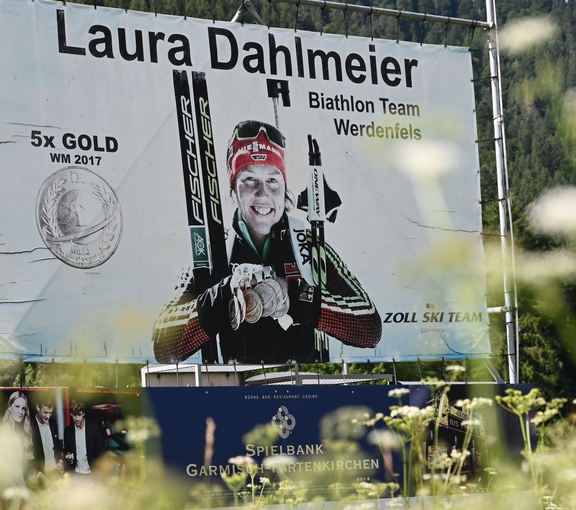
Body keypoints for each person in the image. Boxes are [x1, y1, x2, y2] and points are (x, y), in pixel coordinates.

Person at [153, 120, 381, 364]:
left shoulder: (307, 243)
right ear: (234, 189)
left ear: (284, 187)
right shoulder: (214, 250)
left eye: (273, 180)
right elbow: (163, 346)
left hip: (304, 387)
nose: (263, 194)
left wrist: (294, 296)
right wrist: (224, 296)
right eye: (250, 179)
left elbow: (369, 328)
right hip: (238, 392)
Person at [63, 399, 107, 476]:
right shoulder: (68, 431)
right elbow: (68, 451)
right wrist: (68, 457)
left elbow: (102, 452)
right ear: (70, 414)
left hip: (92, 473)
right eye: (74, 414)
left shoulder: (94, 428)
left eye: (79, 415)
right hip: (76, 473)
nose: (77, 418)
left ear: (83, 413)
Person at [1, 390, 35, 487]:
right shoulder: (6, 431)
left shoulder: (15, 431)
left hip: (13, 486)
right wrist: (24, 490)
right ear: (9, 407)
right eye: (17, 406)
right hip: (10, 487)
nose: (21, 412)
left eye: (23, 408)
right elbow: (14, 467)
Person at [30, 392, 64, 481]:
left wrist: (60, 460)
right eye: (45, 412)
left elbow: (56, 447)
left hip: (55, 474)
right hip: (40, 476)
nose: (48, 416)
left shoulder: (53, 424)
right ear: (38, 407)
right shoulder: (30, 426)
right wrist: (38, 474)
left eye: (50, 413)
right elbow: (28, 455)